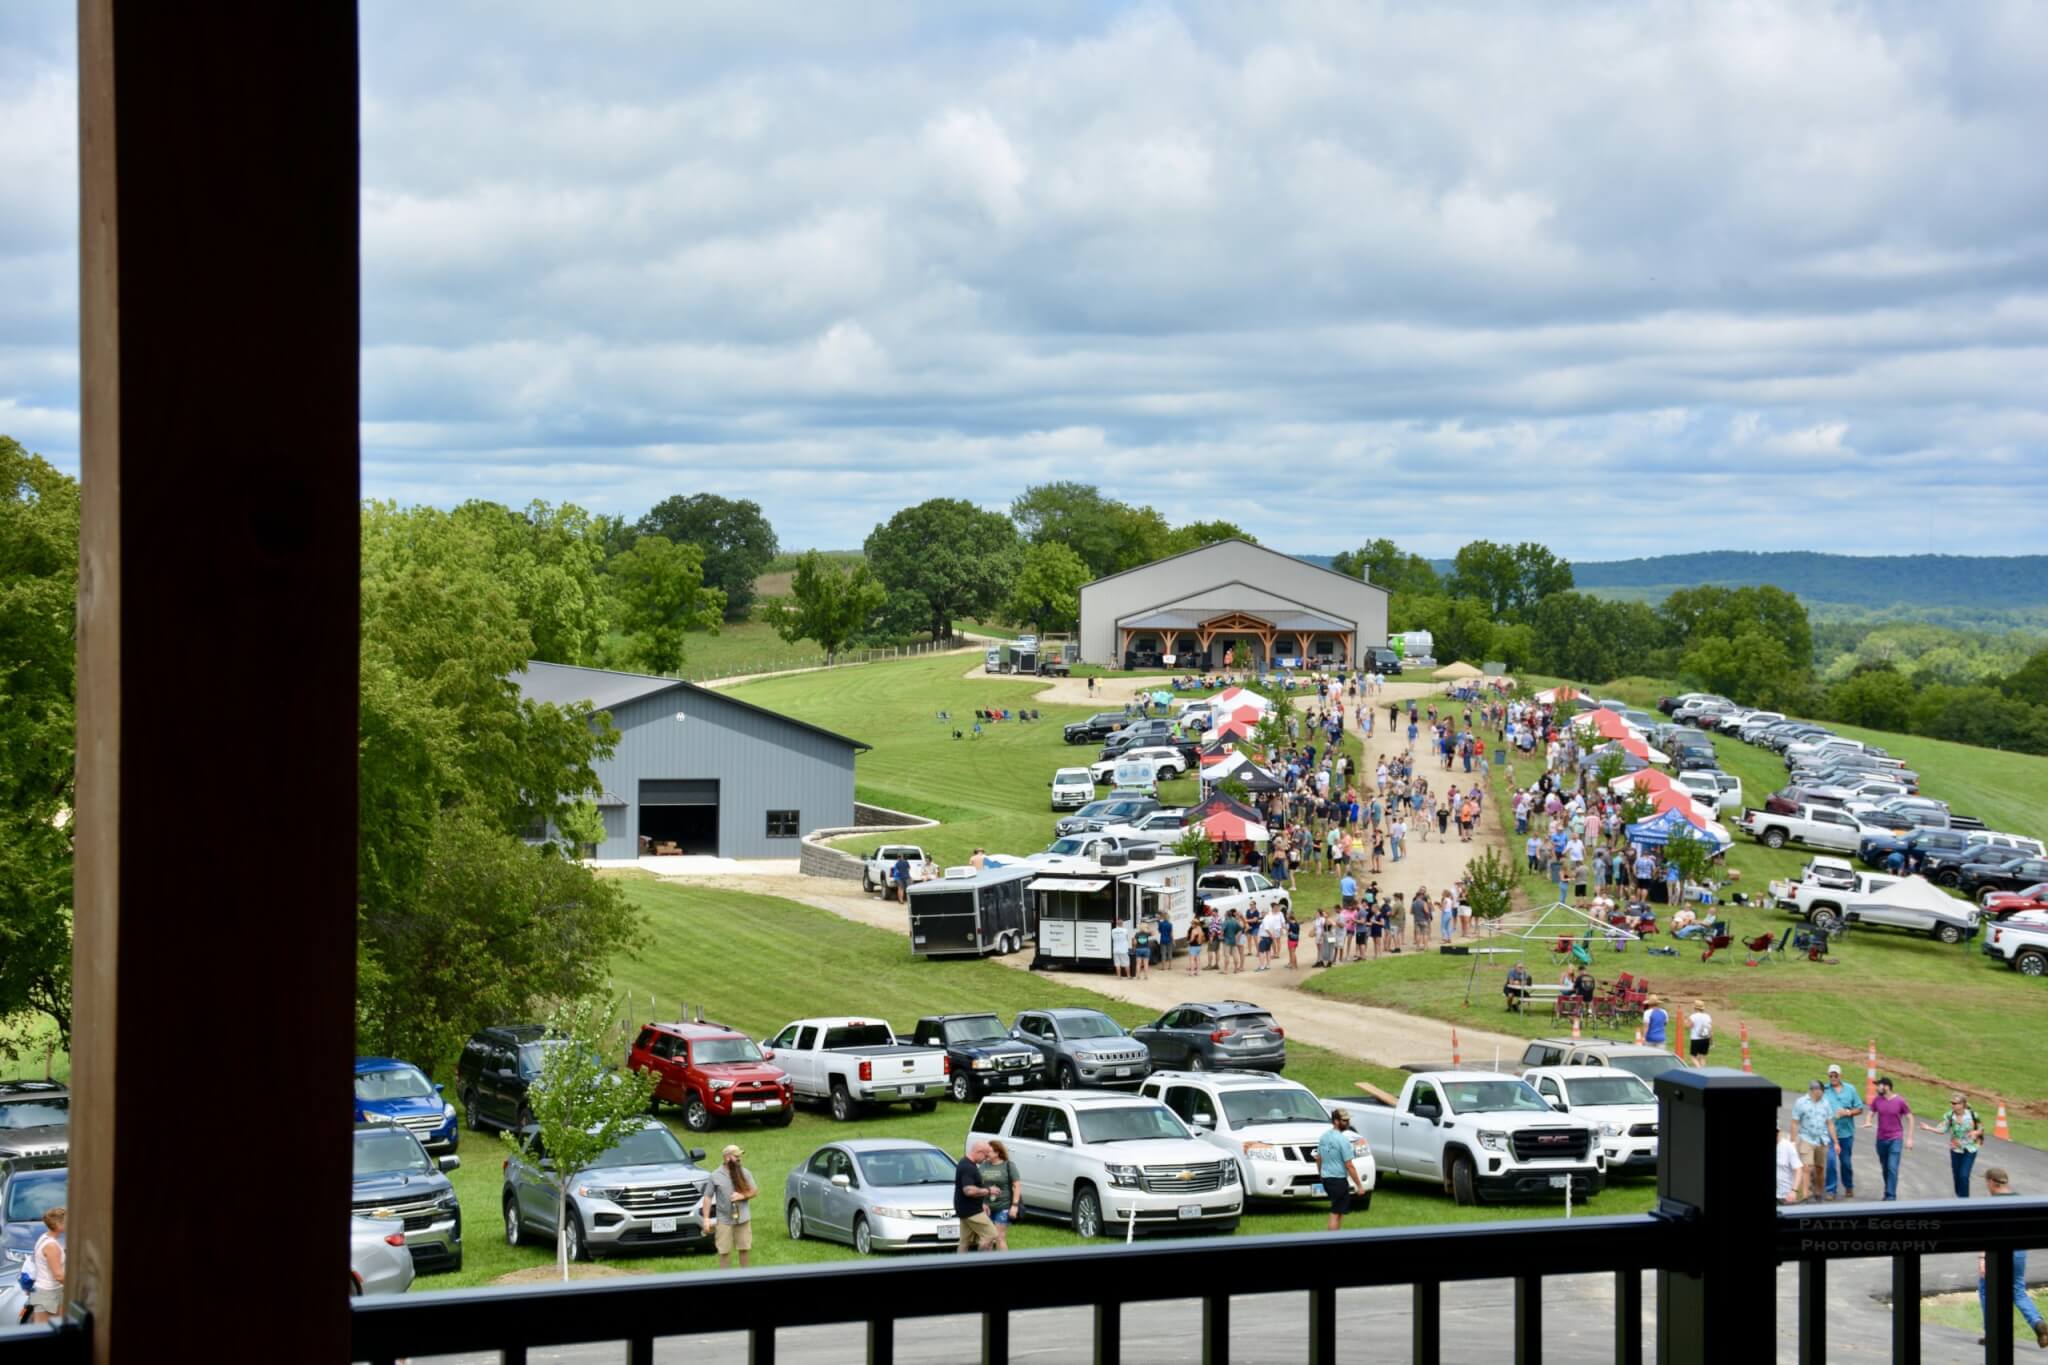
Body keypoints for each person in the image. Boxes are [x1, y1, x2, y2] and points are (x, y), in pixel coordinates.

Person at [1977, 1167, 2048, 1349]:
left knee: (1986, 1290)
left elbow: (1986, 1233)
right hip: (2019, 1251)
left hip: (1997, 1252)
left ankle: (1992, 1332)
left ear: (1992, 1182)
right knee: (2017, 1290)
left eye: (1986, 1182)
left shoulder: (1991, 1203)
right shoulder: (2020, 1200)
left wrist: (1982, 1259)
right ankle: (2038, 1323)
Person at [700, 1144, 758, 1268]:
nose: (739, 1159)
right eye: (736, 1156)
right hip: (724, 1220)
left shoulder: (745, 1173)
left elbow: (754, 1191)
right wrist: (706, 1219)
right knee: (724, 1252)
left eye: (739, 1156)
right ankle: (725, 1277)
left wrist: (742, 1196)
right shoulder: (715, 1175)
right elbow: (708, 1197)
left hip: (743, 1219)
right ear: (726, 1157)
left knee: (744, 1249)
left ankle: (745, 1276)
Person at [1921, 1092, 1985, 1198]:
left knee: (1964, 1175)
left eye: (1955, 1103)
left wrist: (1975, 1132)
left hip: (1970, 1149)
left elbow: (1981, 1129)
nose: (1952, 1105)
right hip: (1955, 1149)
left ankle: (1965, 1201)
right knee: (1957, 1175)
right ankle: (1959, 1196)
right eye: (1951, 1103)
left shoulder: (1973, 1115)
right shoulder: (1950, 1115)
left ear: (1962, 1104)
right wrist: (1928, 1128)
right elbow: (1942, 1130)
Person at [1864, 1076, 1914, 1201]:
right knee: (1885, 1168)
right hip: (1881, 1139)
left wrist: (1909, 1138)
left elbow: (1910, 1118)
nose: (1877, 1088)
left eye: (1879, 1085)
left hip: (1895, 1138)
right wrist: (1868, 1121)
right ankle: (1888, 1191)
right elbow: (1870, 1113)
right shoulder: (1877, 1100)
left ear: (1887, 1086)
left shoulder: (1900, 1101)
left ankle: (1891, 1197)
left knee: (1892, 1167)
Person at [1319, 1109, 1369, 1231]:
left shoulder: (1324, 1137)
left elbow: (1319, 1158)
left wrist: (1320, 1173)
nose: (1347, 1123)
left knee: (1339, 1210)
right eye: (1344, 1120)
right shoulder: (1343, 1140)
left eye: (1348, 1120)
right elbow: (1349, 1165)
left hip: (1327, 1178)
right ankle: (1332, 1238)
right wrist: (1359, 1185)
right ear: (1336, 1121)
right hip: (1338, 1180)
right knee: (1336, 1212)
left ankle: (1337, 1235)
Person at [1820, 1064, 1863, 1199]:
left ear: (1840, 1076)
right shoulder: (1824, 1090)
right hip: (1829, 1133)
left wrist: (1848, 1112)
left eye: (1835, 1075)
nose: (1833, 1078)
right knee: (1831, 1161)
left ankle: (1848, 1186)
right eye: (1830, 1075)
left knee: (1845, 1163)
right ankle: (1831, 1190)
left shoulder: (1850, 1089)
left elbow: (1860, 1108)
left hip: (1846, 1133)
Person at [1792, 1081, 1839, 1204]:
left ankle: (1818, 1193)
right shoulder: (1801, 1102)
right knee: (1807, 1167)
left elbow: (1830, 1123)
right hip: (1806, 1138)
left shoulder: (1825, 1103)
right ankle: (1805, 1196)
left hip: (1821, 1139)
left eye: (1822, 1091)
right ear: (1814, 1090)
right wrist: (1792, 1141)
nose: (1822, 1093)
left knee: (1819, 1168)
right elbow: (1795, 1122)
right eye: (1820, 1090)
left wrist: (1836, 1142)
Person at [954, 1140, 999, 1252]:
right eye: (986, 1155)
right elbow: (968, 1190)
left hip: (965, 1210)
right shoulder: (968, 1167)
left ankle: (959, 1262)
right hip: (971, 1211)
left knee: (965, 1242)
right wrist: (989, 1191)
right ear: (979, 1152)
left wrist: (982, 1203)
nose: (986, 1159)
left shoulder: (965, 1162)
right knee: (991, 1235)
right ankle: (981, 1260)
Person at [980, 1140, 1022, 1252]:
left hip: (1003, 1207)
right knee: (986, 1239)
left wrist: (1014, 1206)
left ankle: (1004, 1260)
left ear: (997, 1152)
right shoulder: (983, 1165)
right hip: (986, 1208)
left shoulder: (1008, 1165)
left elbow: (1017, 1186)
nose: (986, 1153)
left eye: (989, 1151)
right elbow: (978, 1183)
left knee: (999, 1237)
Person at [26, 1206, 63, 1325]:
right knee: (45, 1328)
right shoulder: (52, 1246)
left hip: (42, 1290)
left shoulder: (44, 1237)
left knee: (42, 1327)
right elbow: (58, 1275)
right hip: (50, 1293)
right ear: (58, 1224)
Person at [1775, 1121, 1807, 1206]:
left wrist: (1794, 1191)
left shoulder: (1787, 1146)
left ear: (1779, 1131)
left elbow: (1799, 1170)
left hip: (1786, 1197)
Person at [1687, 1000, 1713, 1067]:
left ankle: (1699, 1070)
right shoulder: (1707, 1016)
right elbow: (1710, 1029)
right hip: (1705, 1038)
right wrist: (1711, 1041)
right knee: (1703, 1057)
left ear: (1695, 1008)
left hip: (1696, 1039)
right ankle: (1702, 1071)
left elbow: (1689, 1027)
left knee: (1693, 1057)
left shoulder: (1693, 1016)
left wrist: (1686, 1022)